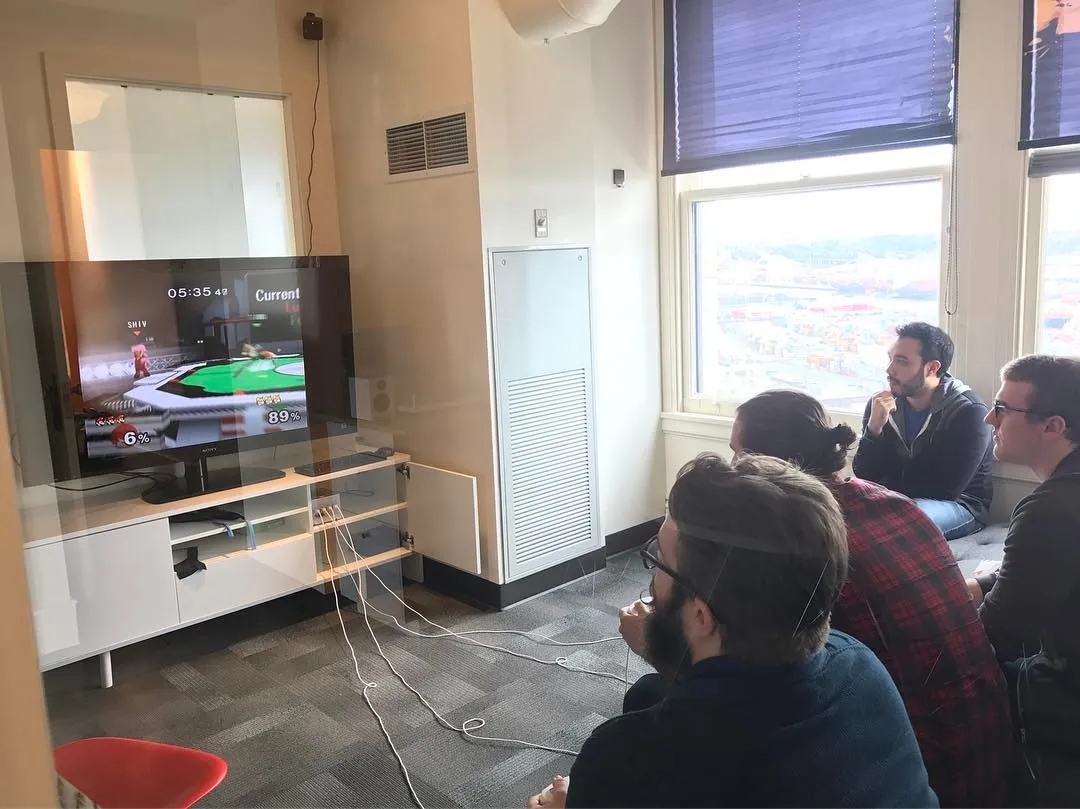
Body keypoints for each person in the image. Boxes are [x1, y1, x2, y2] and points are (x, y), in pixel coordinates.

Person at [528, 454, 937, 809]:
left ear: (701, 615)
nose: (654, 582)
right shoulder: (863, 667)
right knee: (649, 692)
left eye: (661, 563)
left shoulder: (624, 758)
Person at [731, 390, 1010, 807]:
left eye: (739, 456)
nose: (733, 469)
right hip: (990, 748)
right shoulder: (895, 504)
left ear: (772, 463)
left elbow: (766, 663)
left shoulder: (807, 541)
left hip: (919, 775)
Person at [966, 355, 1080, 805]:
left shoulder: (1050, 508)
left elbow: (1000, 635)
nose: (989, 418)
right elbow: (1059, 561)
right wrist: (986, 584)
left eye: (1002, 408)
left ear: (1052, 426)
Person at [852, 322, 993, 539]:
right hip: (895, 499)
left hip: (959, 506)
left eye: (902, 362)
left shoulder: (968, 411)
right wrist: (874, 429)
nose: (889, 370)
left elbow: (945, 489)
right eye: (890, 359)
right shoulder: (880, 405)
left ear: (932, 368)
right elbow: (864, 473)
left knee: (905, 516)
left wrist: (886, 492)